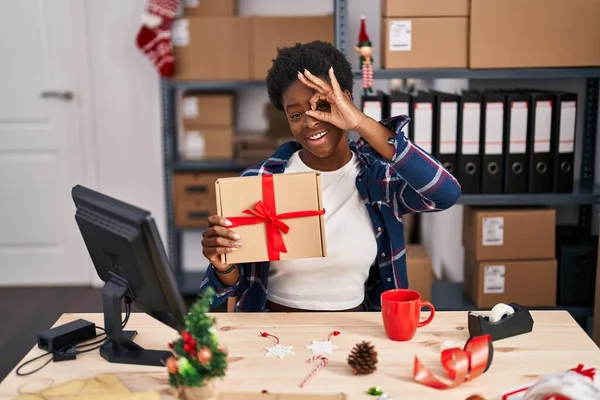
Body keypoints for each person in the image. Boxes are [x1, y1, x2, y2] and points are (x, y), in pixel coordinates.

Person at [200, 40, 461, 312]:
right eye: (296, 114)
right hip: (274, 335)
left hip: (357, 334)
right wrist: (223, 264)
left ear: (344, 99)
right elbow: (232, 286)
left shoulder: (380, 181)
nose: (310, 121)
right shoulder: (261, 181)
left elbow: (445, 193)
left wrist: (360, 122)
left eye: (322, 105)